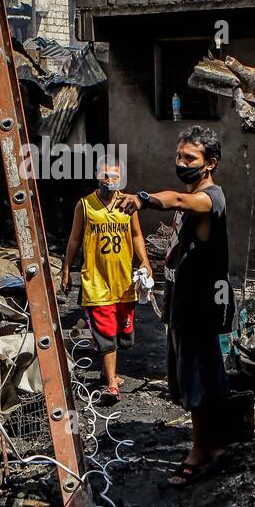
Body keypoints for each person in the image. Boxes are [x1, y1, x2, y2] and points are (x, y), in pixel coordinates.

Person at [117, 126, 230, 486]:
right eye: (179, 156)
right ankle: (211, 443)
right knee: (190, 374)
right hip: (182, 303)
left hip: (199, 307)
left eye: (190, 158)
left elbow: (179, 202)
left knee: (197, 375)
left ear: (210, 163)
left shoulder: (209, 199)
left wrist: (143, 198)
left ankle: (203, 451)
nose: (181, 163)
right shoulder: (192, 194)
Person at [61, 159, 152, 398]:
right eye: (105, 175)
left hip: (123, 281)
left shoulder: (128, 204)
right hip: (96, 280)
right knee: (106, 332)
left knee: (123, 334)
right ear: (96, 176)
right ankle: (112, 383)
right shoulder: (85, 205)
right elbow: (74, 239)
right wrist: (66, 269)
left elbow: (136, 235)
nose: (109, 180)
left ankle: (107, 371)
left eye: (114, 176)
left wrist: (145, 262)